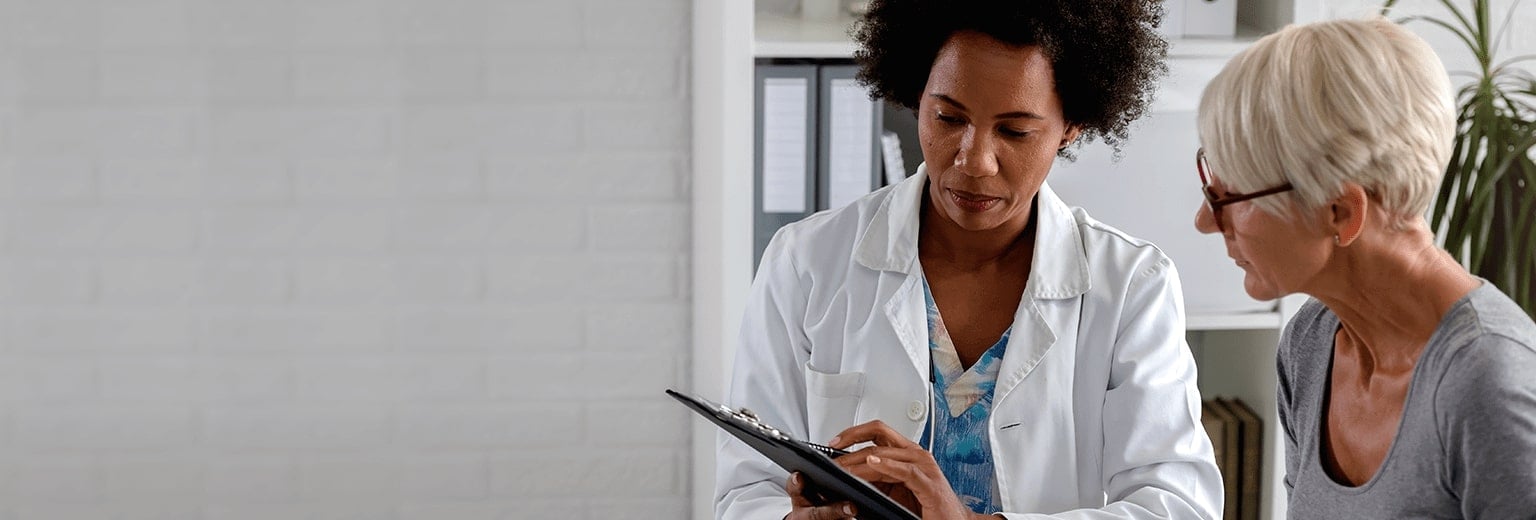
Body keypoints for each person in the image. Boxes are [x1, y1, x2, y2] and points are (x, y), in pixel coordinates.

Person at [717, 0, 1223, 518]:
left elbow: (1178, 505)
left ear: (1072, 125)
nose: (973, 161)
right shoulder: (804, 261)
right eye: (949, 118)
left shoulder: (1133, 286)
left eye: (1014, 132)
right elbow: (744, 492)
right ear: (916, 96)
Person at [1193, 17, 1536, 518]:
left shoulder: (1491, 384)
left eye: (1232, 195)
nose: (1204, 220)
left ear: (1341, 212)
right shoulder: (1309, 344)